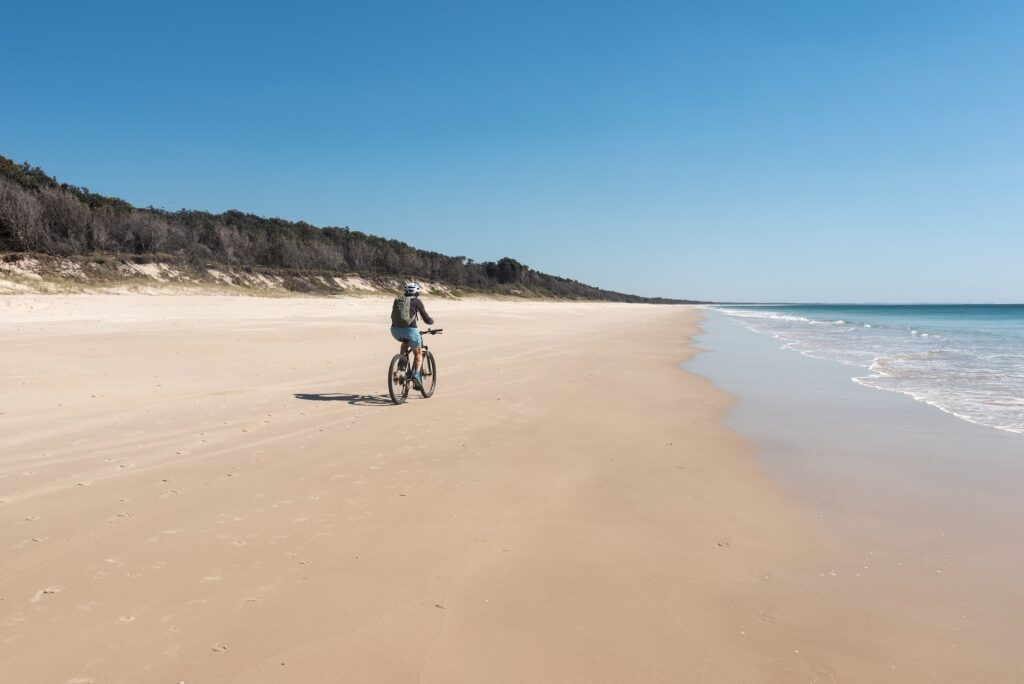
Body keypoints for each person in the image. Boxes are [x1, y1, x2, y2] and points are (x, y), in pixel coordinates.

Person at [390, 281, 434, 390]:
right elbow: (426, 319)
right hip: (410, 331)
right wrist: (431, 321)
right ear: (416, 293)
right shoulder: (417, 301)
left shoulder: (399, 300)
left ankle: (401, 367)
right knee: (418, 353)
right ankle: (417, 375)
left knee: (404, 343)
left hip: (395, 331)